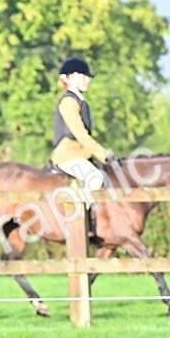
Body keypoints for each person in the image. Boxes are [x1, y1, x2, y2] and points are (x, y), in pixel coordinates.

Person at [50, 57, 115, 238]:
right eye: (84, 76)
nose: (88, 80)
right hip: (68, 154)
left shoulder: (79, 100)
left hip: (79, 153)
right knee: (95, 177)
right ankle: (78, 220)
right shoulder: (68, 101)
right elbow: (80, 133)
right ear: (72, 77)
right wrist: (102, 153)